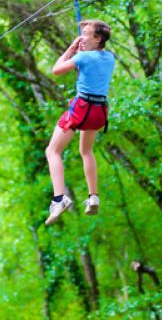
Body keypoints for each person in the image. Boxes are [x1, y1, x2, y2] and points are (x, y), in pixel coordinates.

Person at [44, 19, 115, 225]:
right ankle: (93, 196)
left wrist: (72, 48)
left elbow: (56, 70)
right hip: (99, 112)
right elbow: (93, 61)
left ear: (97, 38)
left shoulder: (83, 56)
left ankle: (59, 199)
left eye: (86, 33)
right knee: (86, 151)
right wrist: (82, 46)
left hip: (82, 109)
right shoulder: (110, 57)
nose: (82, 36)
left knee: (52, 151)